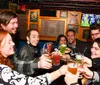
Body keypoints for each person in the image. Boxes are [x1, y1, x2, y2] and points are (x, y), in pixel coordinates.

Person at [0, 29, 67, 85]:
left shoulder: (32, 48)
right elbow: (26, 75)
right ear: (27, 38)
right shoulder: (25, 50)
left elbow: (18, 65)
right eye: (9, 42)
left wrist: (40, 59)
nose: (13, 44)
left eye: (38, 36)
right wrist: (60, 72)